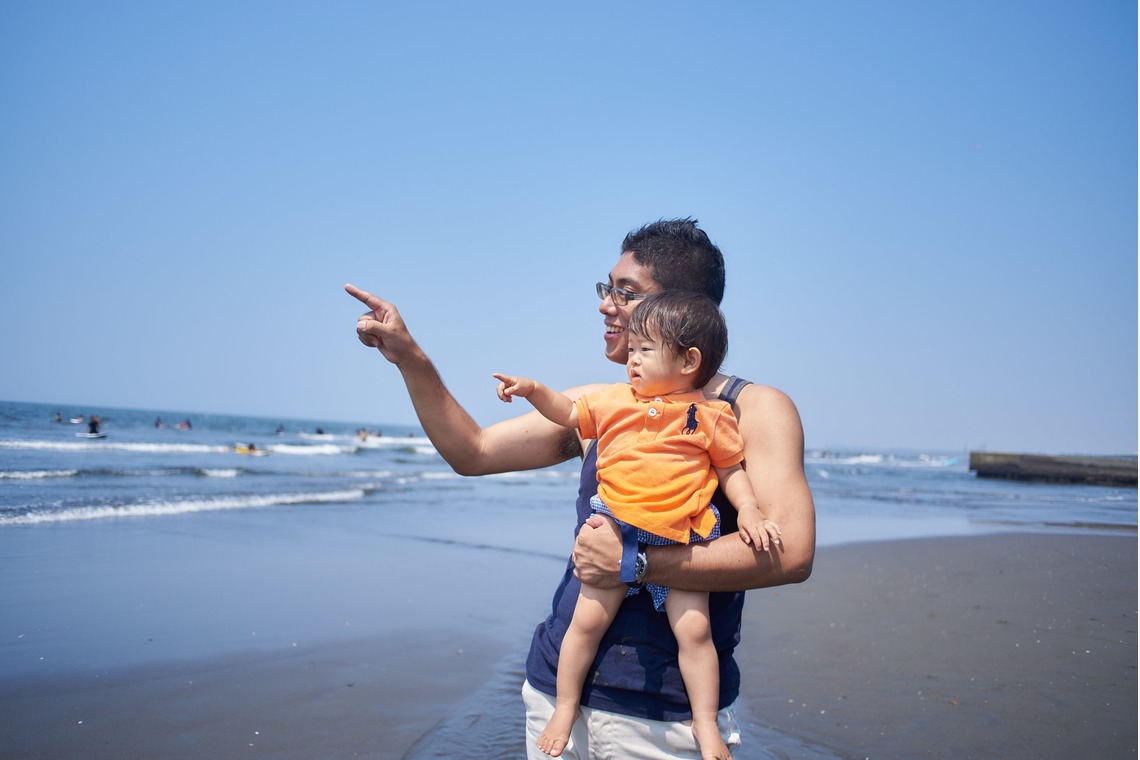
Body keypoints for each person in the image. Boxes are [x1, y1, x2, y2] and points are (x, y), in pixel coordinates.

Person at [346, 217, 815, 759]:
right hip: (556, 697)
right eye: (607, 288)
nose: (605, 304)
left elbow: (792, 553)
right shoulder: (601, 407)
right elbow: (471, 452)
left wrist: (636, 563)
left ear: (684, 309)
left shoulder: (752, 409)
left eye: (626, 292)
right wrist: (410, 357)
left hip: (669, 720)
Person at [493, 291, 781, 759]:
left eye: (644, 350)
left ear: (689, 360)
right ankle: (566, 707)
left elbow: (731, 471)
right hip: (616, 531)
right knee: (585, 625)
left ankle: (705, 723)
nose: (632, 360)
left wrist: (748, 510)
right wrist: (533, 390)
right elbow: (568, 413)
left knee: (694, 633)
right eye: (631, 351)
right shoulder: (614, 401)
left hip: (681, 538)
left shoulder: (712, 417)